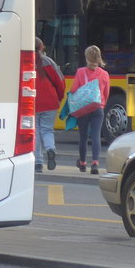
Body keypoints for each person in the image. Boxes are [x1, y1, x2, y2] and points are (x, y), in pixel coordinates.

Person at [72, 45, 111, 174]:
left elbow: (73, 90)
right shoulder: (104, 74)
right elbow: (106, 93)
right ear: (99, 58)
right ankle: (95, 164)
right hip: (98, 108)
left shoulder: (80, 72)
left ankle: (83, 163)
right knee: (95, 136)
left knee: (83, 137)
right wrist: (101, 105)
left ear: (86, 57)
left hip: (83, 109)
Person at [33, 38, 65, 173]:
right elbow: (60, 82)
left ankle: (38, 162)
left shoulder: (24, 61)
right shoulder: (48, 62)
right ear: (42, 47)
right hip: (50, 101)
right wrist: (59, 98)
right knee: (47, 130)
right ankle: (50, 148)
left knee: (35, 131)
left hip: (32, 102)